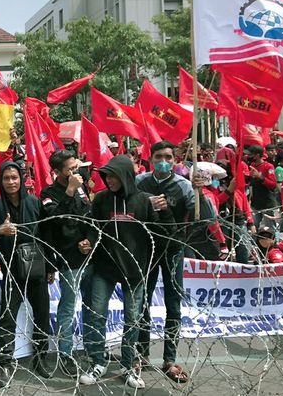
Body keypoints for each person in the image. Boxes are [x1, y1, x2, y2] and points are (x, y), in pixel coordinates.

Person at [79, 155, 173, 389]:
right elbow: (94, 226)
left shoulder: (143, 201)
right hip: (105, 268)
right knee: (96, 315)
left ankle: (128, 365)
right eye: (106, 176)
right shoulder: (101, 199)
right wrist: (88, 241)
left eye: (112, 175)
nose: (108, 180)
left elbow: (160, 233)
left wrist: (163, 212)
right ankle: (97, 362)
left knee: (133, 319)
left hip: (135, 270)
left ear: (124, 175)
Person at [134, 141, 206, 384]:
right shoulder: (140, 182)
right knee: (142, 301)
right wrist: (146, 204)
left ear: (175, 160)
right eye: (158, 156)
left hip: (173, 250)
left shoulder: (184, 185)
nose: (163, 160)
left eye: (168, 156)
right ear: (151, 158)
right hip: (147, 250)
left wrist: (200, 192)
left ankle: (169, 359)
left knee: (173, 305)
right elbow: (128, 209)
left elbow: (206, 218)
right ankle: (141, 354)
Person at [0, 161, 52, 387]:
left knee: (41, 313)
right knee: (7, 317)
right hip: (9, 270)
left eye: (14, 177)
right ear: (0, 182)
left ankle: (41, 357)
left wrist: (51, 267)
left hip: (36, 268)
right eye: (6, 178)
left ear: (21, 179)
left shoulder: (33, 203)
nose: (11, 182)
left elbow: (46, 235)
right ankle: (5, 361)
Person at [39, 150, 93, 378]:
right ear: (58, 172)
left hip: (88, 253)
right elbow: (56, 220)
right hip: (68, 258)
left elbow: (88, 215)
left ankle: (93, 349)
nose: (75, 172)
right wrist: (69, 190)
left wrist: (89, 239)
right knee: (68, 308)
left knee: (92, 305)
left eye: (76, 167)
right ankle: (65, 353)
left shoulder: (82, 188)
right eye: (70, 169)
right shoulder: (48, 193)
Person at [245, 145, 277, 227]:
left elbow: (273, 185)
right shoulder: (251, 166)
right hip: (255, 204)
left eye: (250, 155)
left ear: (257, 155)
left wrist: (260, 177)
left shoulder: (268, 166)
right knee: (253, 227)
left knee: (270, 228)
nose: (248, 156)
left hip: (267, 204)